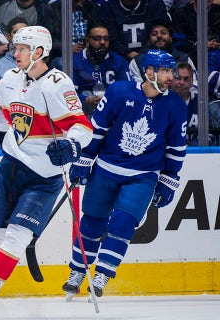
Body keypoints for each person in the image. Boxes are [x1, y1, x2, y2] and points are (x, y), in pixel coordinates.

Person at [0, 25, 93, 316]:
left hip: (44, 177)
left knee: (18, 234)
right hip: (11, 166)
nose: (14, 52)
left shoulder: (57, 84)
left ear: (39, 52)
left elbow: (82, 126)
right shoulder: (11, 77)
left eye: (21, 48)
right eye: (14, 47)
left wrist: (71, 145)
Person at [61, 49, 187, 299]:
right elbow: (96, 129)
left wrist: (169, 179)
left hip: (143, 175)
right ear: (149, 71)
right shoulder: (119, 91)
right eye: (164, 71)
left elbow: (176, 148)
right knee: (92, 222)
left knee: (123, 222)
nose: (170, 76)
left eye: (171, 71)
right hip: (107, 169)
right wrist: (84, 160)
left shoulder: (175, 105)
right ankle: (77, 271)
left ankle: (102, 275)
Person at [73, 23, 130, 117]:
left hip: (112, 111)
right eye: (97, 38)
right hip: (83, 113)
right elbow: (70, 95)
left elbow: (126, 91)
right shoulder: (74, 61)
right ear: (87, 41)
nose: (103, 42)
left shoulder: (119, 61)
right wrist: (87, 100)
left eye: (106, 39)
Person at [94, 0, 169, 61]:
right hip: (118, 58)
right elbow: (111, 39)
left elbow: (160, 33)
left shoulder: (154, 4)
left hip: (152, 55)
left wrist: (143, 55)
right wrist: (132, 55)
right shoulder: (107, 8)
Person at [0, 16, 28, 80]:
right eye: (16, 32)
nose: (21, 36)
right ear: (8, 37)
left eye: (25, 32)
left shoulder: (38, 63)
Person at [171, 61, 200, 145]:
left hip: (197, 154)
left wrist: (191, 148)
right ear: (171, 79)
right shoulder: (161, 102)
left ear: (192, 82)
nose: (182, 82)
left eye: (186, 79)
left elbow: (209, 136)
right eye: (178, 78)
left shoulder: (201, 103)